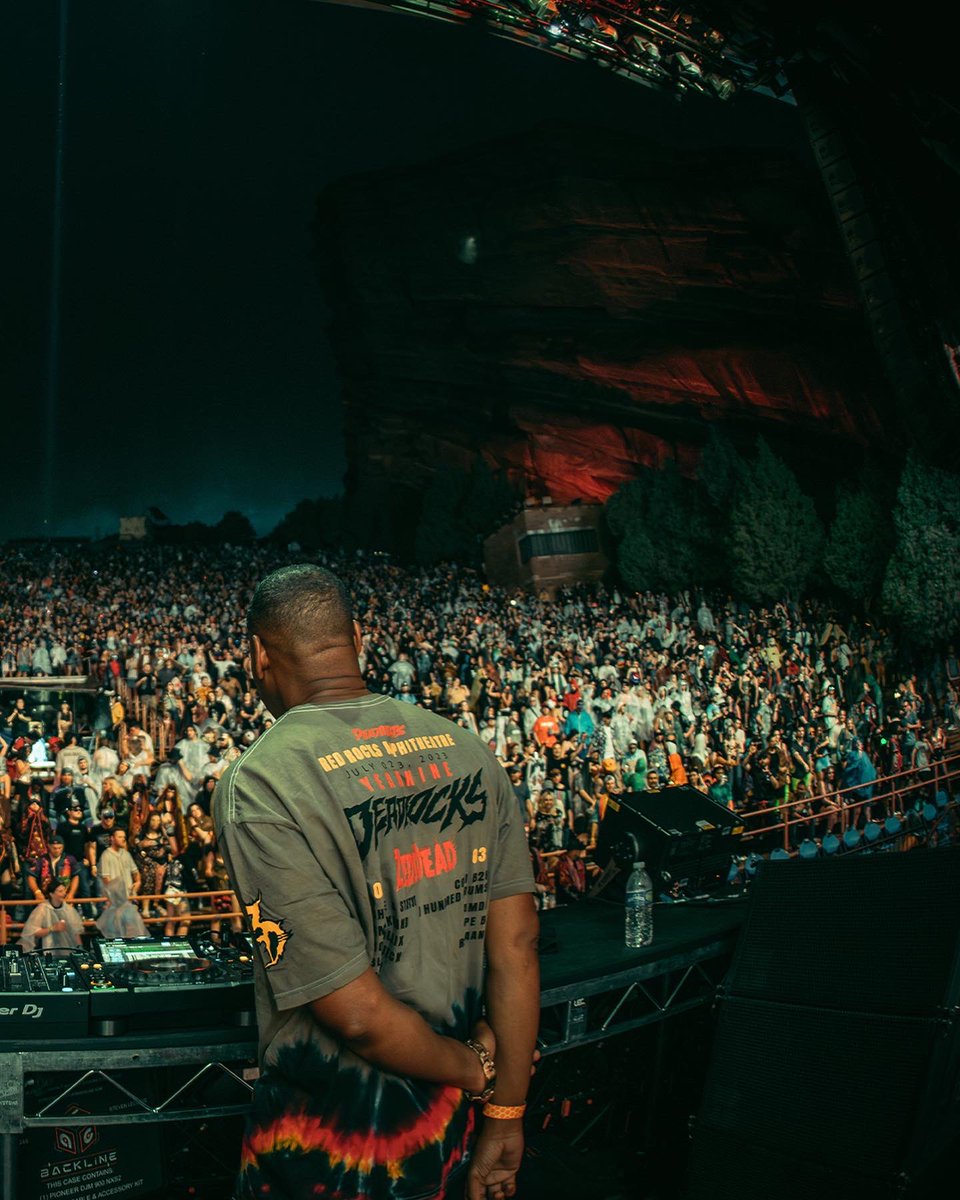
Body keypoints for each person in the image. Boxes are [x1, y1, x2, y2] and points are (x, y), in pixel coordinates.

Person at [214, 564, 539, 1200]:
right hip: (455, 1132)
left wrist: (475, 1068)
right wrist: (506, 1110)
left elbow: (356, 1014)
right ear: (358, 637)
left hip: (330, 1144)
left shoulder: (261, 781)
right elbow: (518, 943)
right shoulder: (466, 748)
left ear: (257, 655)